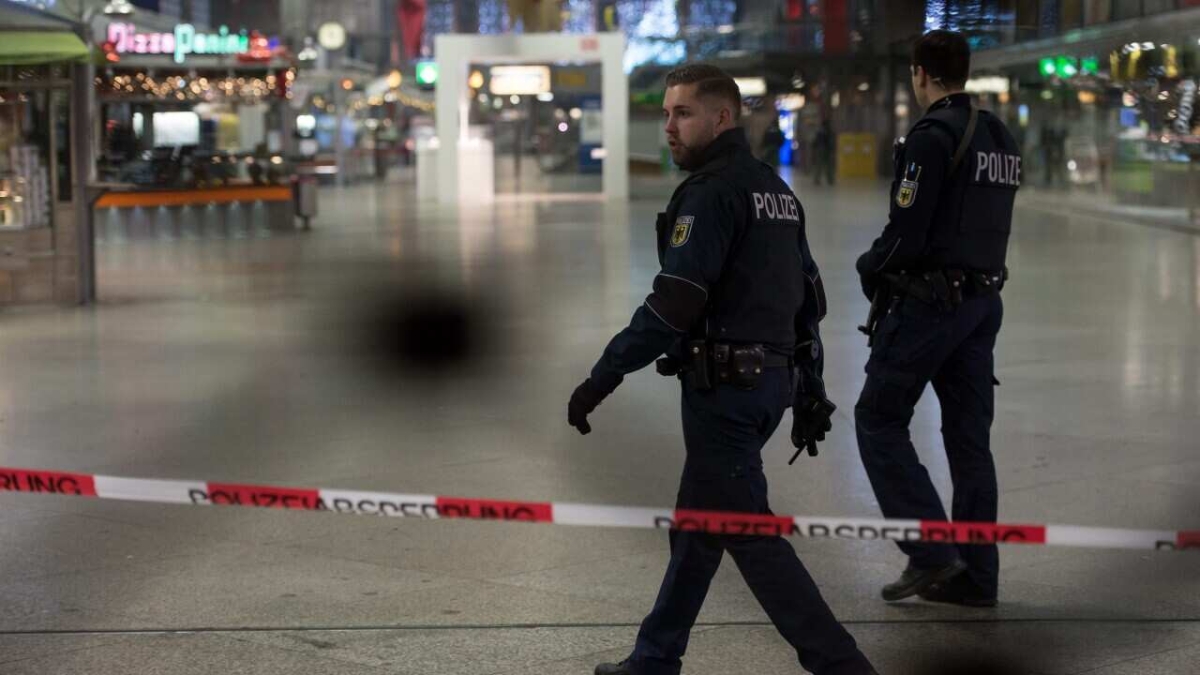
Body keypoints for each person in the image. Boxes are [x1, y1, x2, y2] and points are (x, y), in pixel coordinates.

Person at [568, 64, 877, 675]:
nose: (670, 127)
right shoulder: (775, 191)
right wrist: (807, 385)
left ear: (722, 117)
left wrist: (603, 375)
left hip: (727, 394)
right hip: (766, 387)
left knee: (749, 534)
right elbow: (808, 300)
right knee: (698, 522)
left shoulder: (710, 193)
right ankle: (655, 657)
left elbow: (674, 303)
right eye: (667, 114)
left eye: (683, 114)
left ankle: (844, 667)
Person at [854, 30, 1021, 608]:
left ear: (920, 73)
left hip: (931, 305)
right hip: (982, 302)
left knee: (878, 419)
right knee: (969, 441)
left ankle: (929, 552)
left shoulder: (932, 137)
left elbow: (907, 233)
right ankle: (976, 576)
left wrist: (870, 264)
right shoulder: (998, 136)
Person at [811, 119, 836, 186]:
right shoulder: (829, 132)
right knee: (827, 165)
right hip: (826, 150)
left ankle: (818, 179)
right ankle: (829, 180)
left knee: (820, 165)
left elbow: (815, 142)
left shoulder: (820, 132)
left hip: (821, 150)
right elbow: (831, 142)